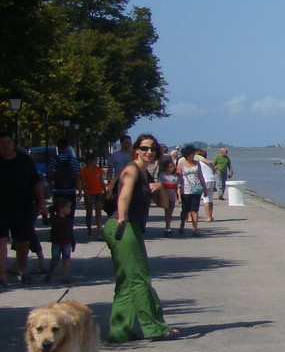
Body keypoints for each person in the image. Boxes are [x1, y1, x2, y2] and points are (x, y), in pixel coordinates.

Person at [102, 134, 178, 341]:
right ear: (135, 150)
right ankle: (155, 326)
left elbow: (164, 205)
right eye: (144, 148)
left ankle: (120, 332)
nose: (149, 152)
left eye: (152, 149)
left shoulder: (147, 175)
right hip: (123, 226)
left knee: (126, 281)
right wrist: (122, 219)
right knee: (140, 278)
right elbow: (124, 194)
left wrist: (160, 187)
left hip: (130, 227)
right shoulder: (131, 170)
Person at [0, 133, 47, 287]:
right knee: (1, 240)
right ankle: (2, 276)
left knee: (23, 241)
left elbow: (36, 182)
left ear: (12, 143)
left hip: (23, 206)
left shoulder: (24, 160)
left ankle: (22, 270)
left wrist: (41, 202)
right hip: (2, 207)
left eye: (8, 142)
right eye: (2, 143)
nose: (6, 145)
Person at [176, 145, 208, 235]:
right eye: (191, 154)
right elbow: (178, 179)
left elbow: (201, 176)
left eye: (194, 154)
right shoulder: (181, 165)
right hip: (185, 190)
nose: (193, 155)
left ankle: (195, 228)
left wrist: (204, 188)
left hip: (196, 189)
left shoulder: (197, 164)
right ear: (187, 154)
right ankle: (182, 224)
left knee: (195, 210)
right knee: (185, 210)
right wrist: (178, 193)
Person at [47, 193, 76, 284]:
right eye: (67, 208)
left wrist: (73, 242)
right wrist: (45, 214)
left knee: (66, 260)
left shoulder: (68, 220)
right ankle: (50, 272)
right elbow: (46, 222)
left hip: (67, 242)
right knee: (55, 260)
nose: (69, 209)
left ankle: (65, 277)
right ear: (61, 209)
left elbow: (71, 232)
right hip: (56, 242)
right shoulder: (54, 219)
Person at [79, 155, 106, 235]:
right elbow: (83, 184)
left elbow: (101, 182)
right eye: (94, 160)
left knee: (98, 212)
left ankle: (99, 229)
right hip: (89, 193)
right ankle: (89, 228)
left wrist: (105, 191)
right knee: (89, 212)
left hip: (98, 193)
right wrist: (86, 195)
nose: (96, 162)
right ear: (89, 161)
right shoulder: (84, 171)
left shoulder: (99, 170)